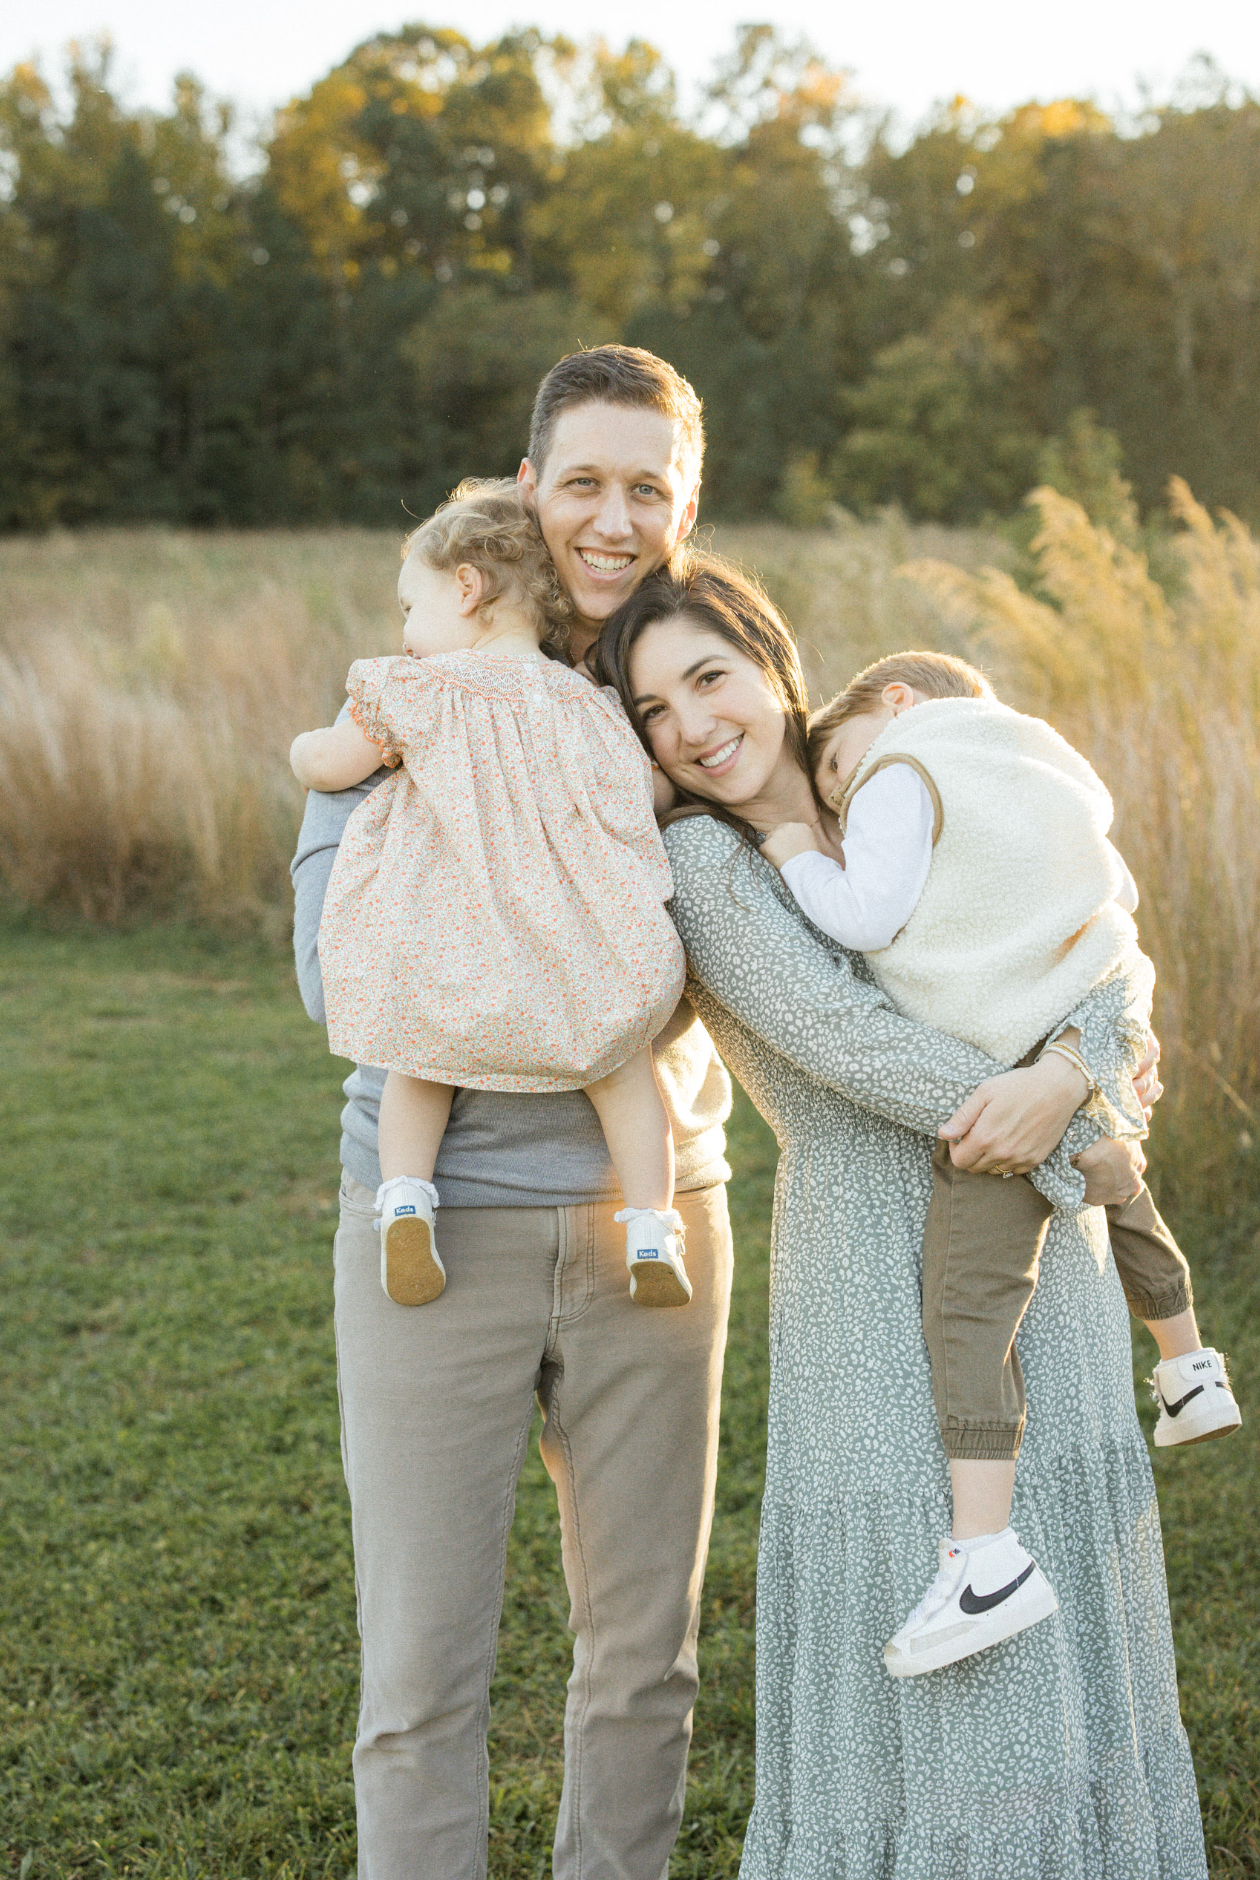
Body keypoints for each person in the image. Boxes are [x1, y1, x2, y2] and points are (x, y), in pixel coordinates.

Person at [595, 556, 1208, 1878]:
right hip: (877, 1270)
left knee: (1058, 1609)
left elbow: (1094, 925)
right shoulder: (704, 863)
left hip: (1055, 1260)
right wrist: (1076, 1117)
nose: (694, 725)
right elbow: (842, 1036)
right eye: (653, 712)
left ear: (772, 663)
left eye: (709, 677)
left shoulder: (898, 774)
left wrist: (1077, 1062)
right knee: (946, 1638)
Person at [290, 346, 735, 1880]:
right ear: (528, 489)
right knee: (420, 1674)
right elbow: (327, 971)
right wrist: (570, 967)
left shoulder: (691, 703)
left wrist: (1079, 1035)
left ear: (686, 509)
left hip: (655, 1217)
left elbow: (792, 934)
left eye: (649, 490)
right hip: (440, 1227)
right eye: (586, 483)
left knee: (644, 1660)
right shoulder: (423, 700)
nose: (614, 521)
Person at [756, 648, 1240, 1675]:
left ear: (895, 704)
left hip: (1003, 1064)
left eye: (835, 767)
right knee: (1122, 1187)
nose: (841, 797)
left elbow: (866, 915)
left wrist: (799, 843)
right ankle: (1192, 1368)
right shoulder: (1045, 769)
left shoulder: (905, 765)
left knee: (971, 1307)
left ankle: (985, 1557)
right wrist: (1096, 1036)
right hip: (1076, 1044)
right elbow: (1111, 907)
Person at [290, 480, 691, 1310]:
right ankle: (651, 1227)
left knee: (418, 1062)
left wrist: (303, 748)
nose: (406, 633)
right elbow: (643, 800)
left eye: (412, 607)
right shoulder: (588, 706)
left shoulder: (418, 689)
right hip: (576, 958)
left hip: (456, 950)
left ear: (465, 589)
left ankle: (405, 1203)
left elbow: (332, 766)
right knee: (625, 1074)